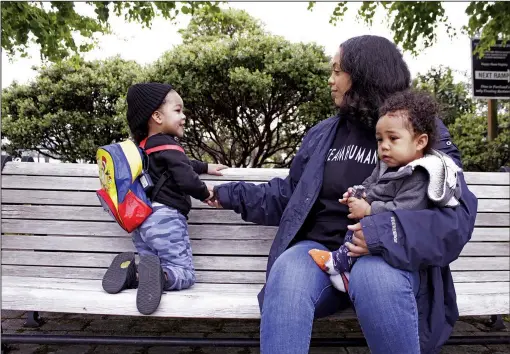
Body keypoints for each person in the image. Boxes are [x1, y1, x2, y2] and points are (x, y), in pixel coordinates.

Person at [207, 35, 478, 354]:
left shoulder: (421, 131)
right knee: (288, 270)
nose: (330, 79)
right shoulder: (324, 134)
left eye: (337, 70)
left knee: (372, 275)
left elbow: (455, 218)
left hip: (390, 259)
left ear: (363, 75)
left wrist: (380, 232)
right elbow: (290, 195)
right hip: (322, 255)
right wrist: (227, 194)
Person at [309, 89, 462, 293]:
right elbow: (371, 183)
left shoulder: (419, 175)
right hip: (375, 227)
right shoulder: (388, 163)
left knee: (360, 231)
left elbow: (404, 210)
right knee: (356, 229)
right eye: (380, 140)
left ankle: (338, 263)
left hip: (394, 235)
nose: (384, 147)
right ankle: (345, 272)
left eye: (393, 138)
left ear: (420, 142)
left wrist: (369, 210)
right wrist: (358, 193)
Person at [101, 83, 227, 315]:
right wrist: (207, 193)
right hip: (165, 219)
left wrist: (206, 166)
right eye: (178, 110)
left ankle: (133, 273)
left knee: (151, 264)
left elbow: (182, 163)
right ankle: (163, 274)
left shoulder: (143, 147)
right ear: (157, 117)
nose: (184, 116)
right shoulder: (169, 144)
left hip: (141, 220)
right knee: (182, 273)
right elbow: (186, 178)